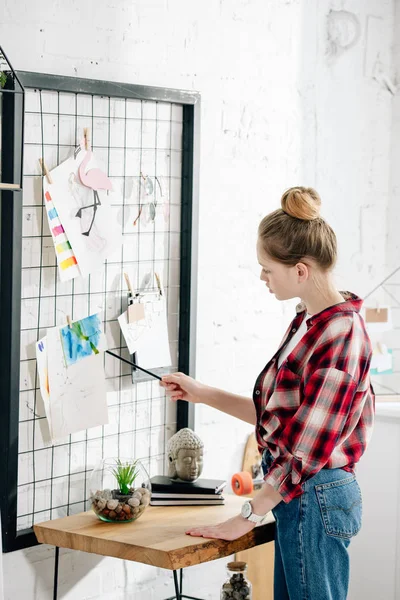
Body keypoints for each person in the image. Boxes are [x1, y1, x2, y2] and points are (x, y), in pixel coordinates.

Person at [160, 186, 375, 600]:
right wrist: (201, 393)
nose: (262, 277)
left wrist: (247, 513)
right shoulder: (308, 323)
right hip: (300, 496)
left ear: (300, 270)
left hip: (316, 495)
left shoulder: (342, 335)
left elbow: (306, 451)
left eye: (267, 268)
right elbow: (282, 419)